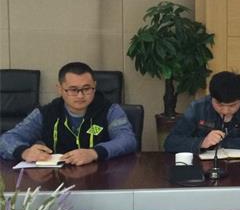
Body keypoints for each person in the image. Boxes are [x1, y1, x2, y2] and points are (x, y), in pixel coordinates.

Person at [0, 62, 137, 165]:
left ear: (94, 86)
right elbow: (6, 139)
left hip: (101, 176)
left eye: (86, 89)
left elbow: (127, 140)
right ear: (60, 89)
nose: (80, 96)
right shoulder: (46, 113)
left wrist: (94, 153)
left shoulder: (110, 110)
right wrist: (24, 152)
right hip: (55, 180)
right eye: (73, 90)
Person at [164, 71, 240, 153]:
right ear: (212, 97)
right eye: (219, 105)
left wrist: (223, 142)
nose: (225, 110)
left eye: (232, 105)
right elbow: (170, 142)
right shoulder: (198, 107)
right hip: (206, 168)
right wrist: (202, 142)